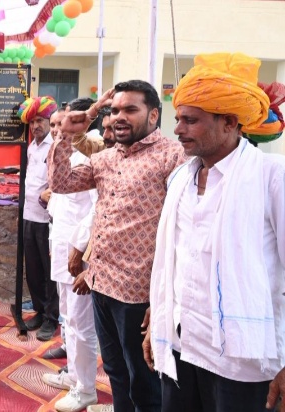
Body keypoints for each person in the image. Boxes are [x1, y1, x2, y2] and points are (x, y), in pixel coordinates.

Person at [145, 53, 285, 412]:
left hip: (243, 359)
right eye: (178, 119)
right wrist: (159, 320)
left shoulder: (272, 176)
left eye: (190, 120)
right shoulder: (181, 178)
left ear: (230, 122)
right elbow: (174, 262)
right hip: (183, 345)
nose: (178, 129)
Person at [48, 80, 187, 412]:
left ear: (153, 115)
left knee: (146, 381)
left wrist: (166, 297)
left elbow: (185, 231)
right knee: (116, 372)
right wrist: (66, 133)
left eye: (130, 110)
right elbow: (61, 183)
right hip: (102, 285)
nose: (119, 117)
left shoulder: (173, 156)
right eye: (115, 110)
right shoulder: (106, 158)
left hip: (140, 293)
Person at [41, 110, 99, 412]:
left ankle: (86, 388)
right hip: (62, 249)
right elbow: (60, 210)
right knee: (68, 317)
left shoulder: (90, 159)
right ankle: (74, 376)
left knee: (81, 323)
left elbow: (96, 212)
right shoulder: (62, 157)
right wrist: (57, 245)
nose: (57, 130)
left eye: (63, 124)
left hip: (79, 256)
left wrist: (79, 249)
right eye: (54, 125)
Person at [16, 96, 60, 342]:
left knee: (49, 272)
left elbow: (61, 180)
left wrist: (50, 192)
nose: (36, 126)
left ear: (50, 121)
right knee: (32, 269)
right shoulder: (32, 146)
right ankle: (40, 312)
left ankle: (52, 319)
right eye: (32, 122)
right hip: (29, 215)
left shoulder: (56, 146)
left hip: (47, 218)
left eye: (40, 121)